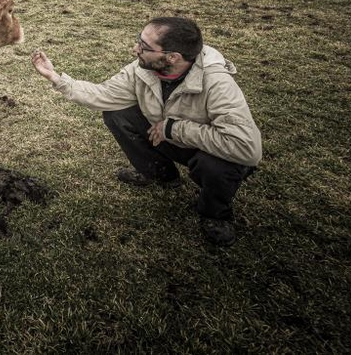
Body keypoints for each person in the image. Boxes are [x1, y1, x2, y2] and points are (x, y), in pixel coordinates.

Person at [30, 16, 261, 246]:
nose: (135, 49)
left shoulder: (217, 83)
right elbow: (103, 95)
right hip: (165, 135)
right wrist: (56, 78)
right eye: (138, 41)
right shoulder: (142, 69)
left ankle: (215, 214)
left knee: (217, 166)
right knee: (117, 114)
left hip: (206, 150)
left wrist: (174, 128)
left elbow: (246, 149)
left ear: (172, 57)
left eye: (144, 46)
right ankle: (162, 175)